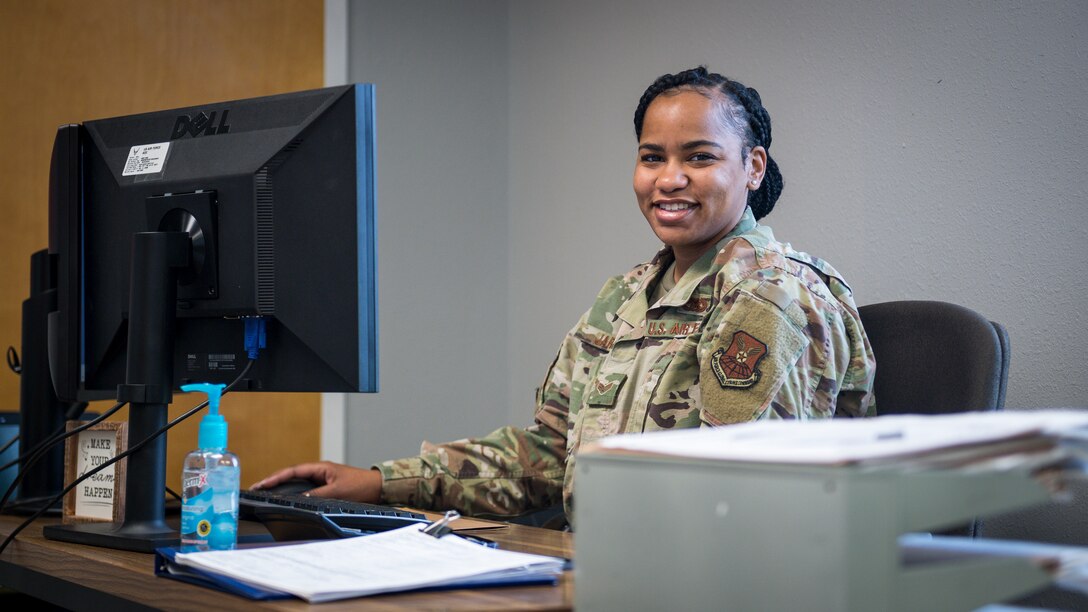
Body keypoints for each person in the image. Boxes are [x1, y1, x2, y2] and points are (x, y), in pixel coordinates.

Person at [253, 67, 877, 525]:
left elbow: (740, 501)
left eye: (700, 157)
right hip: (611, 572)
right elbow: (551, 455)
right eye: (651, 156)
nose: (669, 179)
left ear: (754, 167)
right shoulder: (628, 297)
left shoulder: (771, 296)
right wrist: (379, 483)